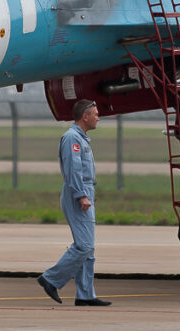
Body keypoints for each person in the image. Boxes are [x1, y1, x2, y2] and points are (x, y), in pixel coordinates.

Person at [37, 99, 111, 306]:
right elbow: (73, 170)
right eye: (95, 114)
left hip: (85, 189)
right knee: (84, 245)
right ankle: (50, 279)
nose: (98, 117)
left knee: (89, 248)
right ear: (84, 116)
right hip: (77, 193)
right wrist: (81, 195)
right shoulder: (72, 139)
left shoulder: (81, 138)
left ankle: (85, 295)